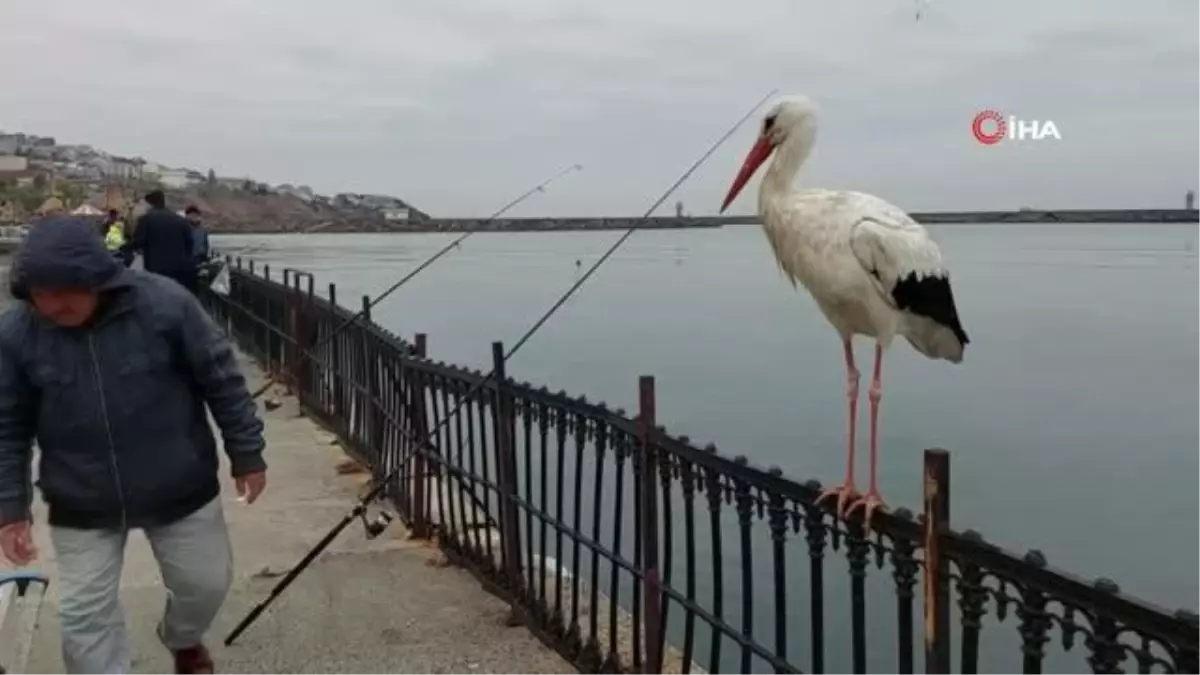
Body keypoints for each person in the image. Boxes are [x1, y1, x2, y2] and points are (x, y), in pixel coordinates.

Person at [0, 217, 267, 675]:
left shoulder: (166, 304)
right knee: (83, 618)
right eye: (42, 292)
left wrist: (246, 451)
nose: (54, 304)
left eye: (67, 290)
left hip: (180, 482)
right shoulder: (15, 335)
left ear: (99, 280)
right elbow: (7, 426)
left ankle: (182, 638)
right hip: (79, 497)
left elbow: (221, 378)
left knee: (205, 586)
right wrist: (10, 508)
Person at [132, 189, 198, 293]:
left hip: (156, 270)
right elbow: (189, 245)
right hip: (180, 270)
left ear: (150, 204)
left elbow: (137, 242)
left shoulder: (146, 219)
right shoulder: (180, 220)